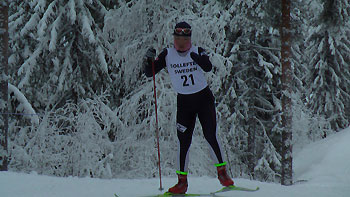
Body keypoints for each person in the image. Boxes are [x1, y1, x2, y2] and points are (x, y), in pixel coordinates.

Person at [143, 21, 234, 194]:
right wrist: (148, 59)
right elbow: (150, 73)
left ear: (189, 39)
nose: (181, 43)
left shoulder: (197, 50)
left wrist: (199, 60)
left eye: (184, 39)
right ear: (174, 39)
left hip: (203, 99)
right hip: (184, 103)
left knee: (210, 135)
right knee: (183, 142)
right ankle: (182, 182)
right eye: (178, 39)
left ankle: (222, 174)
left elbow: (208, 67)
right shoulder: (168, 54)